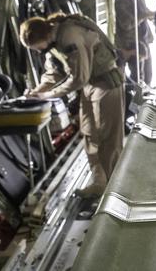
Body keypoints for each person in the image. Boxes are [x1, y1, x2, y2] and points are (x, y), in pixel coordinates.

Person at [20, 13, 125, 198]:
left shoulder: (69, 35)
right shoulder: (52, 42)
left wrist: (48, 95)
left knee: (108, 139)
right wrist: (37, 91)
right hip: (89, 86)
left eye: (35, 47)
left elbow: (79, 77)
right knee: (89, 134)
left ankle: (116, 189)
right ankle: (99, 183)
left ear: (41, 37)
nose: (36, 51)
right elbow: (54, 71)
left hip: (105, 84)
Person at [115, 0, 155, 85]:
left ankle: (143, 98)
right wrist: (145, 15)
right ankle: (135, 101)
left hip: (143, 43)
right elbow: (126, 24)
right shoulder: (122, 0)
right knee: (137, 79)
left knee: (147, 77)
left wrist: (154, 15)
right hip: (130, 45)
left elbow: (146, 14)